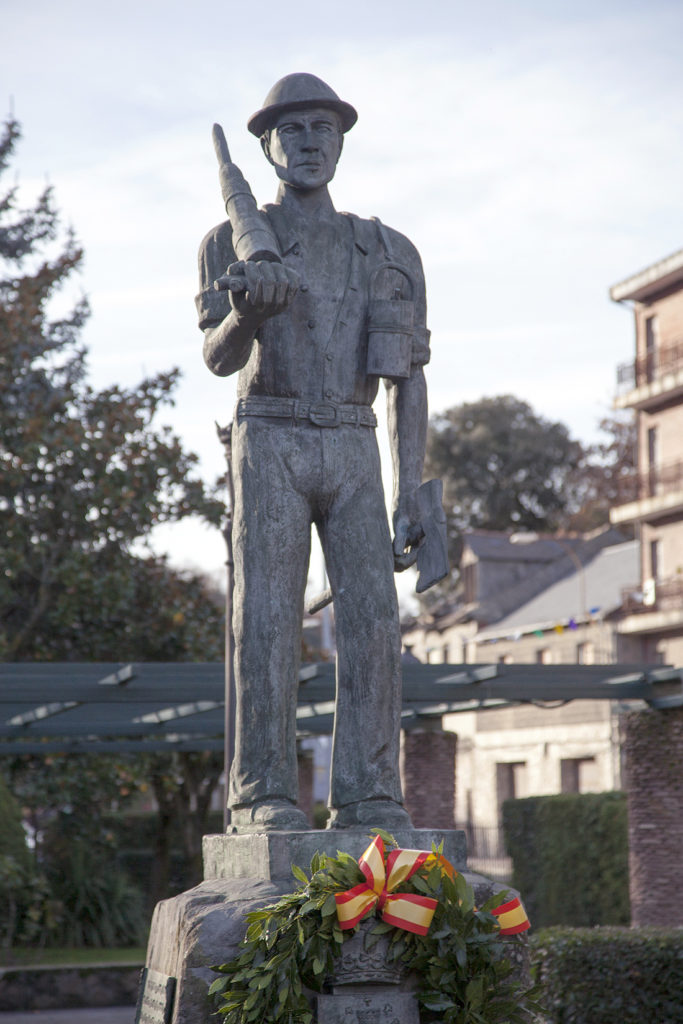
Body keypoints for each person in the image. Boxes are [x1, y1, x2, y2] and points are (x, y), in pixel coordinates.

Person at [197, 73, 430, 831]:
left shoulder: (387, 250)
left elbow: (407, 382)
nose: (308, 143)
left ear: (340, 142)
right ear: (266, 146)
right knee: (264, 619)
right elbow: (218, 359)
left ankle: (368, 793)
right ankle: (261, 793)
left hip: (354, 442)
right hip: (269, 434)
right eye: (292, 130)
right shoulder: (227, 242)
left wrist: (411, 490)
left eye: (322, 129)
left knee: (373, 621)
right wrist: (246, 313)